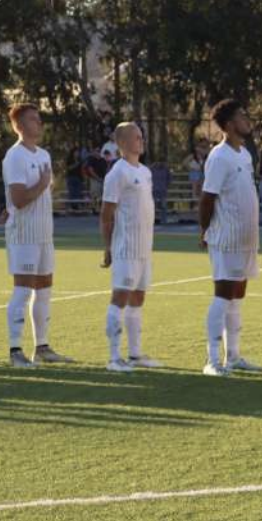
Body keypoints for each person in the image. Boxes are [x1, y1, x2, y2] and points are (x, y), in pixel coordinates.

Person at [2, 103, 73, 367]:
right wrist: (41, 185)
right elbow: (19, 199)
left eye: (39, 119)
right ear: (18, 125)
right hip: (24, 234)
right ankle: (15, 351)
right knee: (22, 290)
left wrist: (43, 188)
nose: (39, 123)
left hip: (44, 233)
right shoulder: (14, 157)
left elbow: (42, 194)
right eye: (33, 119)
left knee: (44, 290)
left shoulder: (43, 155)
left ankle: (41, 347)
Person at [198, 99, 262, 376]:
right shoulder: (219, 156)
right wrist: (205, 231)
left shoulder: (245, 154)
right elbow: (207, 197)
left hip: (246, 238)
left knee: (237, 296)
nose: (246, 119)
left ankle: (233, 356)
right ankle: (212, 361)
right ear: (227, 125)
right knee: (223, 296)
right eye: (241, 116)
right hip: (226, 238)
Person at [100, 122, 162, 372]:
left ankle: (135, 355)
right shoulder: (117, 173)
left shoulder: (145, 172)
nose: (141, 140)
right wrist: (108, 247)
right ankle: (114, 358)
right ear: (122, 143)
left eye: (141, 136)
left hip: (144, 249)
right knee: (120, 298)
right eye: (136, 137)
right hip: (126, 247)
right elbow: (106, 213)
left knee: (138, 298)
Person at [184, 139, 209, 205]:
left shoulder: (206, 156)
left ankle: (200, 201)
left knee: (202, 184)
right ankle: (195, 199)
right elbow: (185, 162)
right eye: (201, 146)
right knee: (195, 183)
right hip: (194, 173)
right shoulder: (194, 155)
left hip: (202, 173)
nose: (202, 148)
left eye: (204, 146)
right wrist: (191, 168)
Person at [65, 147, 86, 213]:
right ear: (73, 153)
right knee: (72, 192)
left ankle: (77, 206)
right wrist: (76, 164)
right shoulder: (69, 159)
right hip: (71, 177)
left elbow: (82, 169)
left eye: (78, 152)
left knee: (78, 192)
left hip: (78, 177)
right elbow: (68, 168)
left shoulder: (80, 160)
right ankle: (72, 206)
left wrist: (83, 178)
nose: (77, 153)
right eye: (76, 152)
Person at [151, 160, 170, 224]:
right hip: (154, 190)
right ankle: (151, 220)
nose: (159, 163)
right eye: (158, 161)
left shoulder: (166, 170)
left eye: (161, 162)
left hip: (163, 190)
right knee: (153, 206)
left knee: (163, 206)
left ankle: (164, 220)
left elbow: (169, 178)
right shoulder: (152, 169)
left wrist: (166, 185)